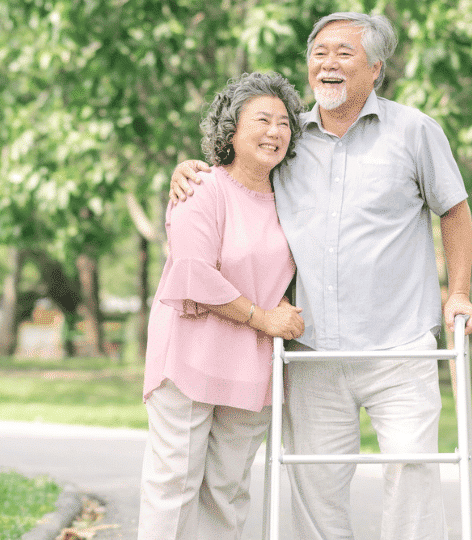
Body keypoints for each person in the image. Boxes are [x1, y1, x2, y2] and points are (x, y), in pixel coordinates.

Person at [170, 12, 472, 540]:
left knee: (412, 470)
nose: (328, 64)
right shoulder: (286, 139)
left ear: (376, 68)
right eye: (319, 53)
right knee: (315, 487)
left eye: (344, 53)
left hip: (400, 347)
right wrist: (187, 168)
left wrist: (459, 292)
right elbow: (237, 175)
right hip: (313, 350)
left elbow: (454, 210)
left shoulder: (415, 130)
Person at [139, 72, 306, 540]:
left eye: (284, 122)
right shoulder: (201, 187)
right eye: (262, 119)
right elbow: (192, 272)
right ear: (230, 130)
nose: (275, 131)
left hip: (251, 365)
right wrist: (262, 317)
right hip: (190, 357)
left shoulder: (292, 199)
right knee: (174, 484)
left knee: (228, 491)